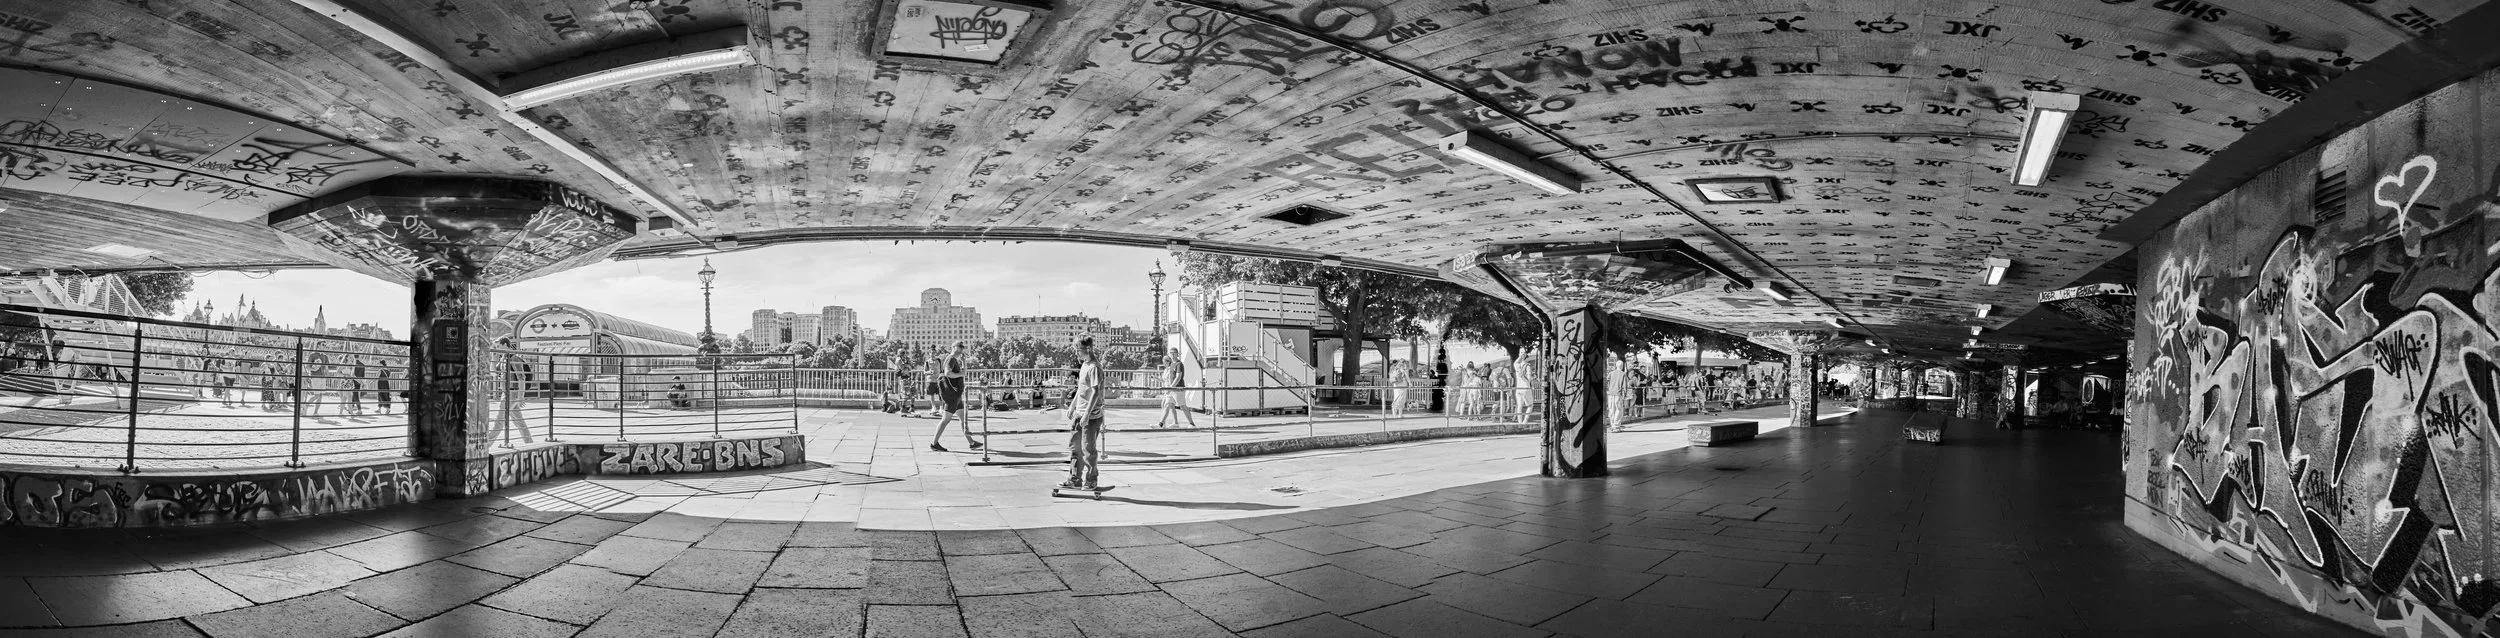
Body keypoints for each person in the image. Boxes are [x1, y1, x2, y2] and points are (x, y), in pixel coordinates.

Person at [1062, 336, 1108, 491]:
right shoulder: (1084, 366)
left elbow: (1095, 393)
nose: (1077, 354)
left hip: (1091, 415)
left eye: (1078, 350)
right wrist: (1072, 406)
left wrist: (1087, 414)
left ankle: (1091, 480)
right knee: (1075, 447)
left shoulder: (1095, 367)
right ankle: (1074, 478)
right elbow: (1081, 389)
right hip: (1079, 414)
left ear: (1088, 349)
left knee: (1088, 450)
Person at [929, 340, 981, 452]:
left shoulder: (955, 359)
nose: (962, 348)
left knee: (963, 419)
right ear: (953, 347)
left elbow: (964, 373)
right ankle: (934, 443)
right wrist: (959, 374)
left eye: (963, 347)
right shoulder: (951, 358)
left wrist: (964, 362)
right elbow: (948, 373)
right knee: (945, 420)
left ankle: (971, 442)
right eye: (959, 346)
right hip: (952, 396)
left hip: (956, 397)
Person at [1154, 351, 1196, 428]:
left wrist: (1171, 387)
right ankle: (1161, 424)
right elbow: (1169, 378)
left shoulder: (1179, 364)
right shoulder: (1172, 365)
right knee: (1167, 405)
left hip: (1178, 389)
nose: (1172, 354)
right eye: (1171, 353)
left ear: (1177, 354)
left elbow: (1178, 377)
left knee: (1183, 406)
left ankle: (1192, 424)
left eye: (1174, 353)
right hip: (1171, 390)